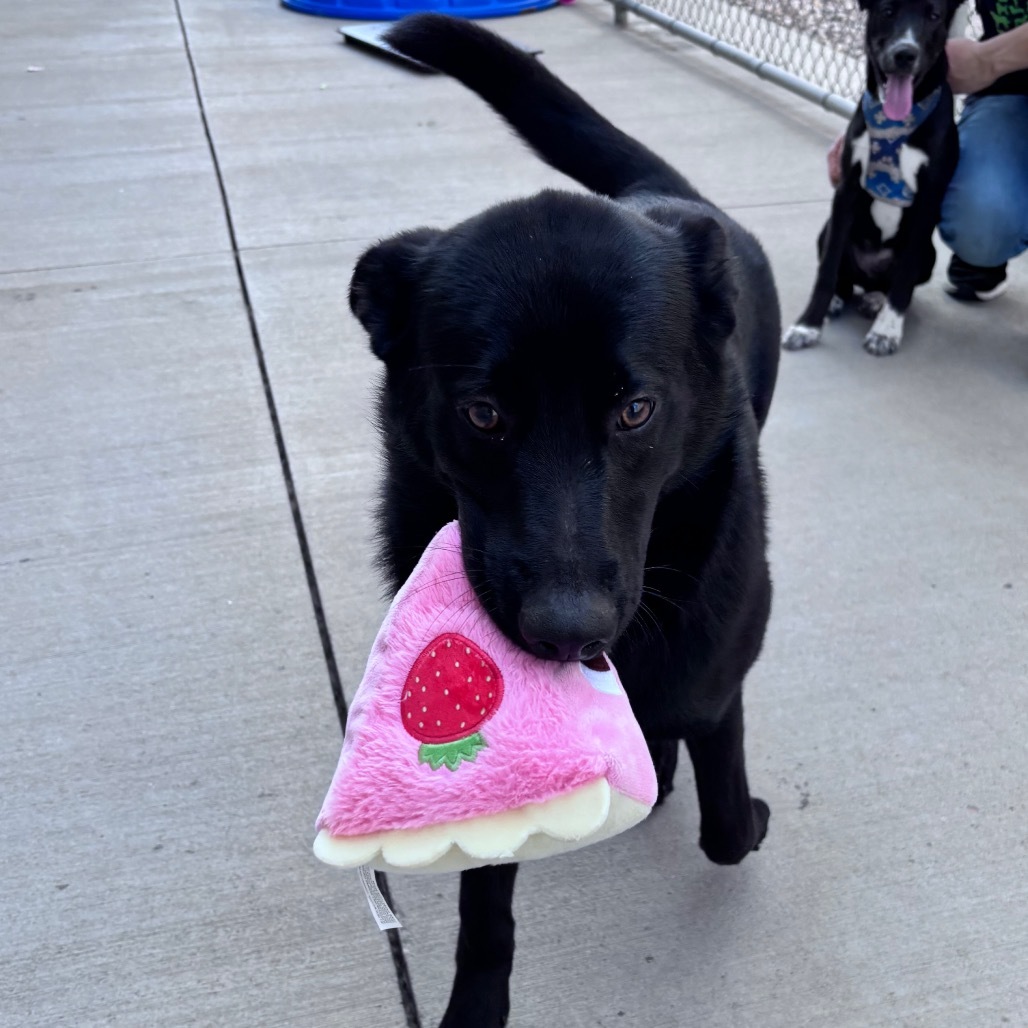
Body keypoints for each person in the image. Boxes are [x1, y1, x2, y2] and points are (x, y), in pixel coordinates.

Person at [827, 2, 1028, 301]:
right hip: (1013, 91)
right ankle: (985, 256)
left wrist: (989, 59)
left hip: (1000, 64)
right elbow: (924, 11)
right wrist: (876, 120)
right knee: (980, 219)